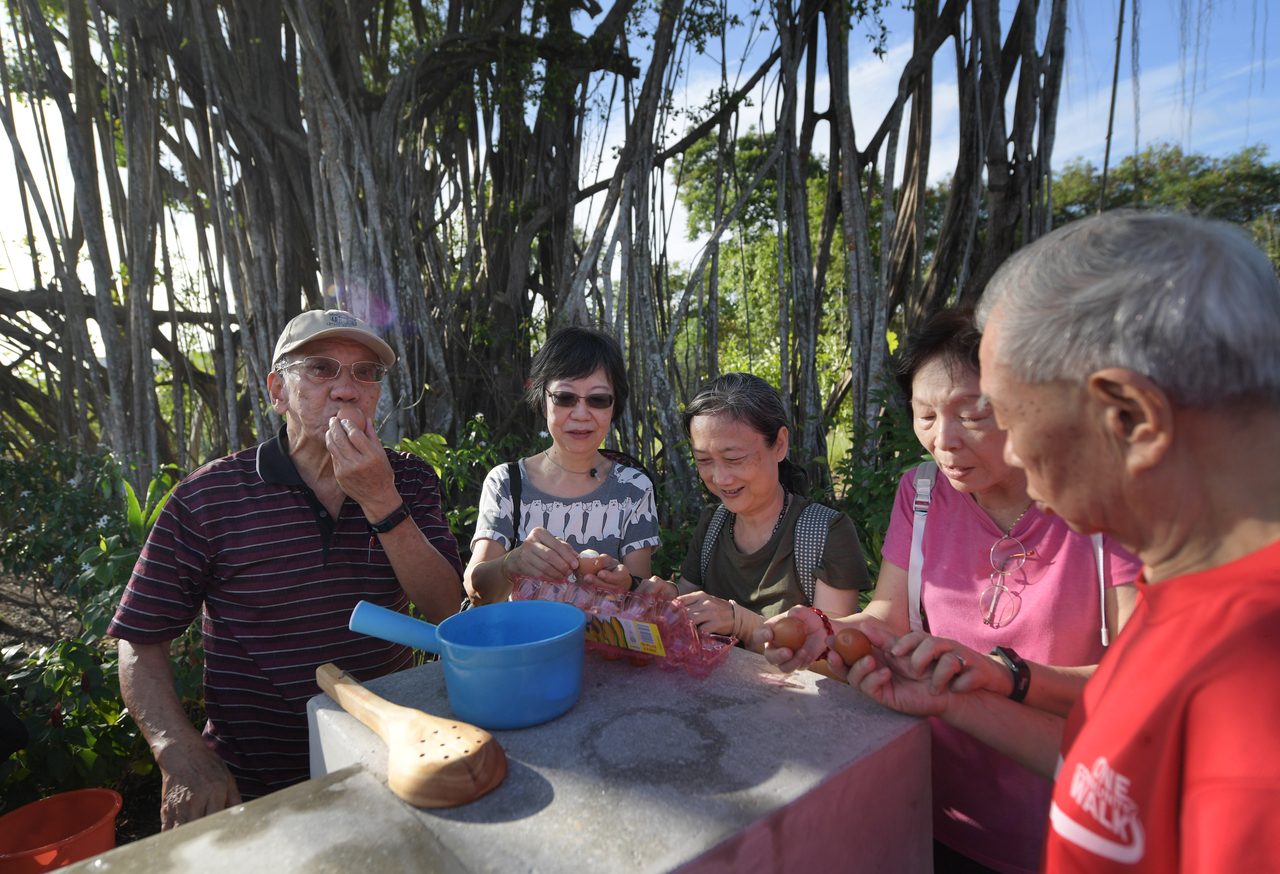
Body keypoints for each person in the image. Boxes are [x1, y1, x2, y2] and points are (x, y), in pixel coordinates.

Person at [826, 212, 1280, 871]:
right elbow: (1116, 782)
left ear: (1129, 416)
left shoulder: (1253, 674)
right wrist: (957, 701)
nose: (1004, 451)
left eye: (1005, 416)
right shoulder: (1180, 596)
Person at [760, 309, 1141, 873]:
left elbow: (1140, 686)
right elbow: (889, 615)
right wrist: (829, 629)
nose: (945, 440)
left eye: (974, 414)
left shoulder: (1106, 503)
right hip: (935, 802)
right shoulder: (920, 493)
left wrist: (1003, 674)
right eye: (926, 415)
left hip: (1067, 820)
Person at [108, 309, 463, 829]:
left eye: (366, 373)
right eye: (322, 369)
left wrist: (382, 500)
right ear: (278, 391)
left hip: (385, 761)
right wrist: (178, 752)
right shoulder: (209, 497)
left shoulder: (408, 478)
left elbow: (447, 609)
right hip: (252, 785)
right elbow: (139, 638)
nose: (347, 389)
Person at [647, 372, 869, 649]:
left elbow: (835, 654)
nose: (721, 477)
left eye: (734, 459)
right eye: (703, 460)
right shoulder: (713, 523)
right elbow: (688, 604)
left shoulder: (827, 533)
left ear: (779, 444)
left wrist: (741, 623)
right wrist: (659, 594)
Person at [464, 326, 659, 605]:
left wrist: (626, 584)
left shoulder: (635, 489)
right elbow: (476, 590)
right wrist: (513, 563)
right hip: (522, 645)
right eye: (565, 398)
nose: (581, 414)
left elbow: (640, 602)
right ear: (543, 402)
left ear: (614, 406)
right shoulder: (506, 483)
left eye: (598, 399)